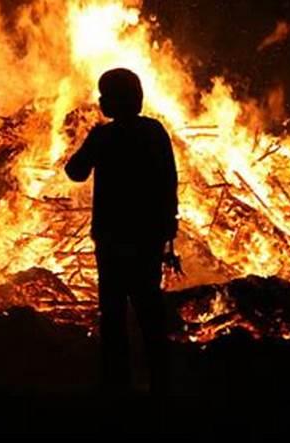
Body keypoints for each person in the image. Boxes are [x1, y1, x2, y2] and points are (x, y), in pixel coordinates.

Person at [64, 68, 179, 395]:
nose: (100, 101)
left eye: (105, 96)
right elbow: (169, 180)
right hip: (147, 238)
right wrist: (169, 223)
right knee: (149, 311)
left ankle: (118, 387)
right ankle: (161, 384)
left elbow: (75, 172)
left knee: (113, 314)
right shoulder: (156, 132)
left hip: (113, 241)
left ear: (112, 101)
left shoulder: (104, 136)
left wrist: (87, 137)